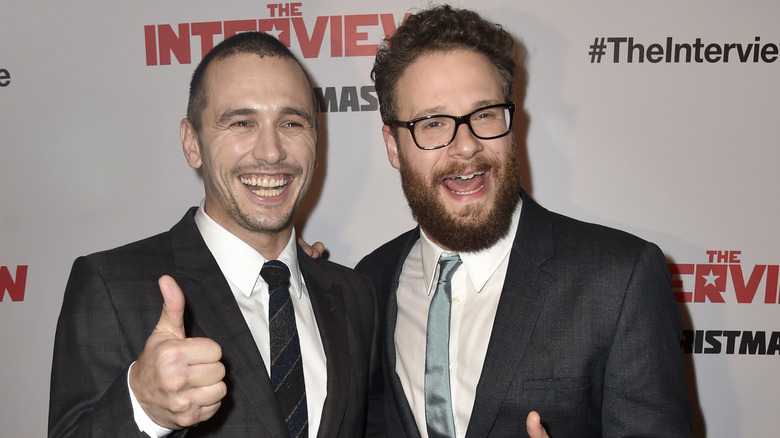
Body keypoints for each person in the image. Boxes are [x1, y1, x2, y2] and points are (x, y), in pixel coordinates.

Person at [355, 5, 693, 438]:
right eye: (433, 123)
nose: (466, 147)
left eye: (484, 115)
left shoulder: (619, 279)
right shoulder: (368, 284)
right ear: (394, 146)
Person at [48, 31, 382, 438]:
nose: (272, 151)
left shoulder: (354, 295)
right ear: (192, 143)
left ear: (315, 137)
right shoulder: (112, 287)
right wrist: (142, 407)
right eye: (241, 122)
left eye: (291, 122)